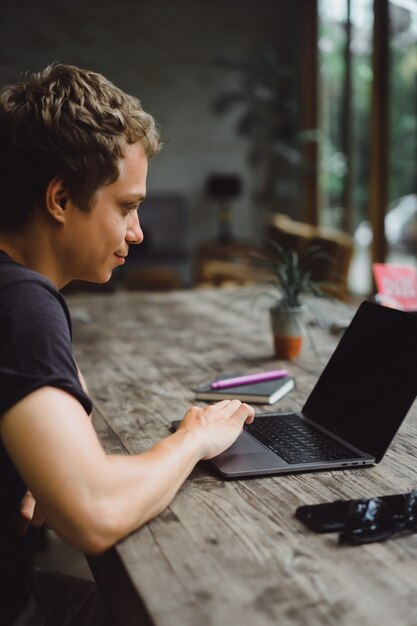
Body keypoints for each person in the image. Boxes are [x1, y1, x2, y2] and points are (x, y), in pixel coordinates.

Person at [0, 64, 255, 626]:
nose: (137, 232)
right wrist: (195, 439)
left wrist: (39, 468)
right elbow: (93, 512)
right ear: (61, 198)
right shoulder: (20, 302)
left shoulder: (22, 295)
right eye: (126, 206)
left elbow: (71, 464)